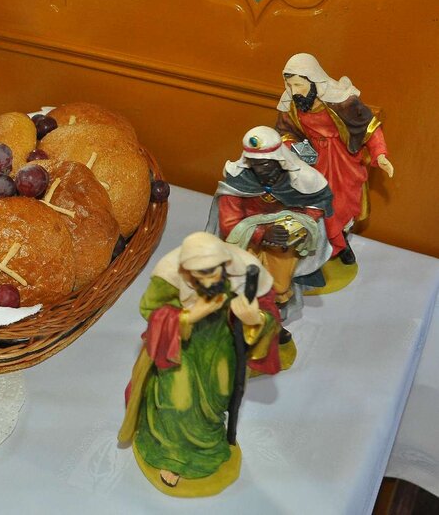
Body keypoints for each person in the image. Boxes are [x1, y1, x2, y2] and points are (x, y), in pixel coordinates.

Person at [118, 232, 281, 494]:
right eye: (200, 274)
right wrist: (189, 316)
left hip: (219, 348)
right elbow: (150, 311)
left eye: (213, 272)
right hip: (178, 351)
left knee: (219, 400)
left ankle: (206, 448)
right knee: (178, 403)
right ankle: (173, 456)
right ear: (187, 271)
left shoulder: (240, 276)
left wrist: (255, 318)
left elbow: (266, 312)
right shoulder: (169, 278)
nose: (209, 280)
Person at [275, 53, 394, 264]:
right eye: (290, 85)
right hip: (312, 163)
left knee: (342, 206)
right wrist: (298, 148)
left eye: (299, 85)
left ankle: (341, 243)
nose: (294, 91)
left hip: (343, 163)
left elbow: (369, 127)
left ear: (313, 80)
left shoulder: (342, 101)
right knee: (314, 206)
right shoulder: (291, 106)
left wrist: (380, 154)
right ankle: (318, 246)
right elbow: (285, 133)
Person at [207, 126, 333, 319]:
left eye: (264, 164)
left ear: (278, 160)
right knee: (240, 277)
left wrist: (296, 226)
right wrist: (262, 233)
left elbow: (315, 205)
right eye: (254, 163)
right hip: (246, 239)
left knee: (279, 284)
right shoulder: (239, 181)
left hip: (283, 243)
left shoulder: (301, 178)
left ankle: (272, 314)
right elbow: (229, 223)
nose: (259, 170)